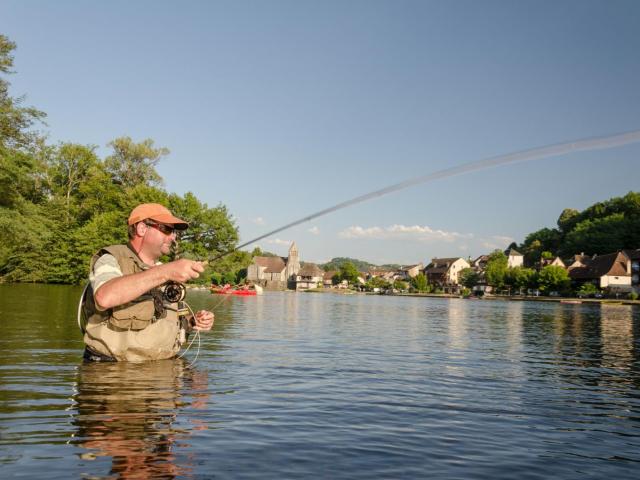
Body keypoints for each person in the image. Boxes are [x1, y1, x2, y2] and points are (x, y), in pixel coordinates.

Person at [81, 203, 214, 361]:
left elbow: (164, 323)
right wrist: (165, 271)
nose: (173, 237)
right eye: (167, 229)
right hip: (112, 375)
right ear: (142, 228)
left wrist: (192, 322)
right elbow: (105, 297)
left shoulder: (165, 272)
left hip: (165, 376)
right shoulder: (110, 259)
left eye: (174, 232)